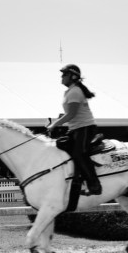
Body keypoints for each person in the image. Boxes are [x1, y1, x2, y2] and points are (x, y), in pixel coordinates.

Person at [46, 64, 102, 195]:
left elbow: (71, 114)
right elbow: (69, 114)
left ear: (72, 76)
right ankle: (76, 178)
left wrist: (55, 124)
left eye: (64, 74)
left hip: (85, 128)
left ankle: (94, 186)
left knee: (79, 154)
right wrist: (58, 121)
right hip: (76, 128)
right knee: (61, 145)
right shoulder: (70, 91)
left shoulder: (75, 91)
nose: (61, 77)